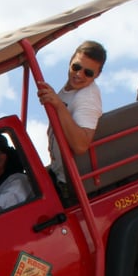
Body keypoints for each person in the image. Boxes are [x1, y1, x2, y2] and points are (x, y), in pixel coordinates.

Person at [36, 40, 107, 198]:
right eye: (76, 67)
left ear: (97, 75)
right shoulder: (69, 89)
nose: (79, 74)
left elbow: (81, 145)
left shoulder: (87, 96)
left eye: (88, 73)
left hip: (75, 186)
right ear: (70, 61)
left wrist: (59, 106)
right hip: (60, 175)